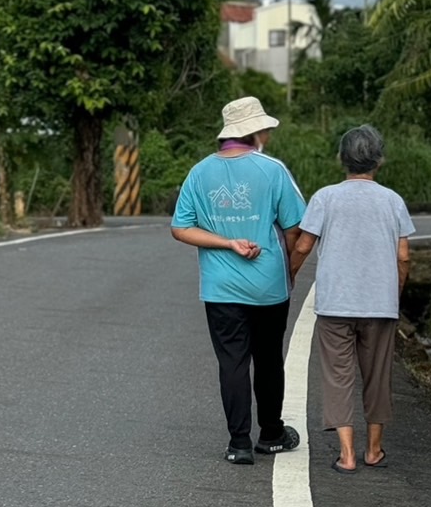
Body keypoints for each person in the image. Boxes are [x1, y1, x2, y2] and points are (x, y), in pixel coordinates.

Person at [170, 95, 306, 465]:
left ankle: (239, 443)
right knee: (267, 359)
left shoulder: (199, 173)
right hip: (268, 285)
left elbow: (180, 229)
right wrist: (289, 269)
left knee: (231, 361)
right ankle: (273, 433)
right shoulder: (273, 170)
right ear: (256, 131)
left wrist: (225, 242)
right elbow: (296, 228)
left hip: (219, 287)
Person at [288, 124, 415, 474]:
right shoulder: (393, 201)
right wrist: (395, 292)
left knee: (338, 375)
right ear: (380, 160)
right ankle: (374, 450)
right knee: (377, 376)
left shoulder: (325, 197)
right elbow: (403, 256)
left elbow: (302, 244)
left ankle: (346, 454)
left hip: (335, 304)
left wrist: (291, 276)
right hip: (380, 305)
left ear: (342, 159)